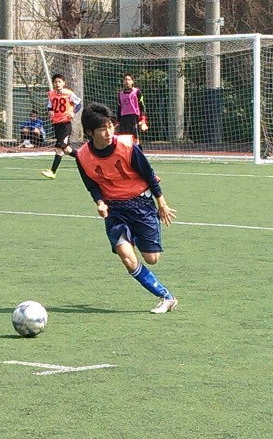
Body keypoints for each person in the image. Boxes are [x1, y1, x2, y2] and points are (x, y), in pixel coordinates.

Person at [74, 102, 178, 314]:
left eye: (110, 126)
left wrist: (162, 203)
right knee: (128, 258)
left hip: (141, 204)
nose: (109, 132)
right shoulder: (82, 156)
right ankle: (166, 297)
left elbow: (149, 175)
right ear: (90, 132)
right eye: (102, 129)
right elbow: (92, 185)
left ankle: (136, 235)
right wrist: (100, 202)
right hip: (115, 210)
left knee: (151, 258)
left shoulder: (127, 147)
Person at [41, 73, 82, 179]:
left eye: (59, 81)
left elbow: (79, 104)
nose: (57, 84)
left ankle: (53, 172)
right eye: (55, 82)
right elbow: (50, 106)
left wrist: (73, 112)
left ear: (63, 83)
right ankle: (84, 157)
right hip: (57, 124)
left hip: (65, 124)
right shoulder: (51, 94)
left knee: (58, 148)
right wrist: (50, 111)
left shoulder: (69, 93)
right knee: (66, 149)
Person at [116, 73, 148, 146]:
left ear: (132, 81)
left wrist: (143, 120)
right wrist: (118, 121)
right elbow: (119, 108)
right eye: (125, 80)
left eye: (129, 80)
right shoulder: (120, 94)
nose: (127, 81)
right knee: (124, 140)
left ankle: (137, 151)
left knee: (135, 139)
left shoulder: (137, 92)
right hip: (124, 118)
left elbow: (142, 106)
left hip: (134, 118)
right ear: (123, 81)